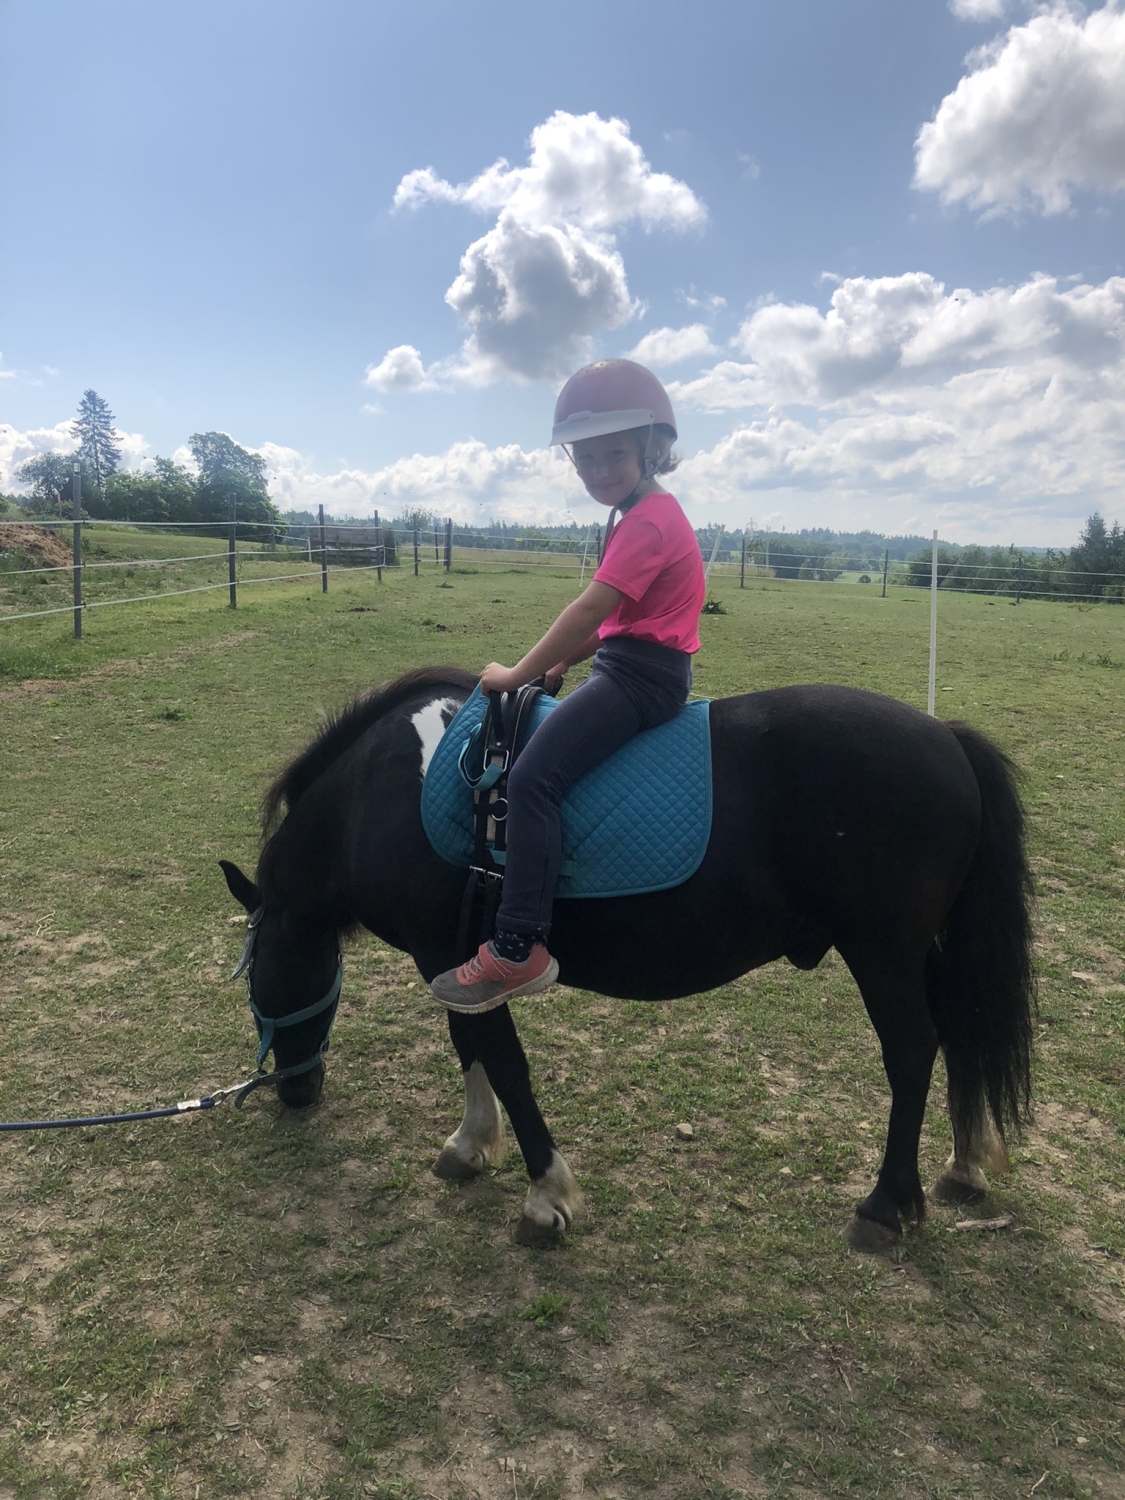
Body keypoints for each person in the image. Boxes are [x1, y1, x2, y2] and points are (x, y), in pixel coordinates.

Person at [430, 358, 706, 1014]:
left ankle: (518, 945)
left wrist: (518, 673)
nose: (599, 471)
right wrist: (562, 666)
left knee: (532, 779)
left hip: (641, 678)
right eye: (585, 460)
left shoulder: (648, 520)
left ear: (650, 450)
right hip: (630, 664)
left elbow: (591, 609)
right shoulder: (634, 512)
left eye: (615, 455)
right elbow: (616, 624)